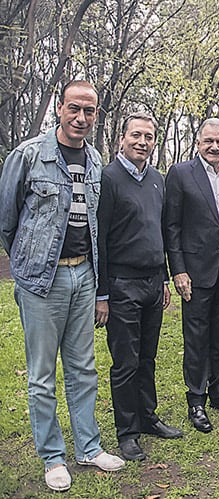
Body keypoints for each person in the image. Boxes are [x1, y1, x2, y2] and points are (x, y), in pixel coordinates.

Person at [0, 80, 124, 491]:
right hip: (43, 280)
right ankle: (53, 456)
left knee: (83, 368)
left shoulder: (94, 159)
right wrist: (28, 263)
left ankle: (89, 447)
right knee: (42, 375)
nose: (81, 118)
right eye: (74, 108)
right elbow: (7, 221)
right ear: (59, 107)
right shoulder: (29, 155)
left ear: (96, 115)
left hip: (83, 275)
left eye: (89, 111)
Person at [96, 112, 183, 462]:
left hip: (152, 282)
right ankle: (127, 432)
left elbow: (159, 232)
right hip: (121, 284)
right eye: (136, 135)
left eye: (148, 137)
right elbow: (99, 239)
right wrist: (102, 294)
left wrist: (163, 277)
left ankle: (148, 417)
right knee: (126, 362)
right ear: (122, 138)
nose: (142, 142)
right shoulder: (108, 179)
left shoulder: (157, 179)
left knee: (147, 357)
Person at [164, 118, 219, 433]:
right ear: (198, 142)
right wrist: (178, 270)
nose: (215, 147)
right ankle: (196, 399)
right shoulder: (180, 174)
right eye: (209, 141)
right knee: (196, 337)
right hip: (195, 271)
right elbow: (172, 226)